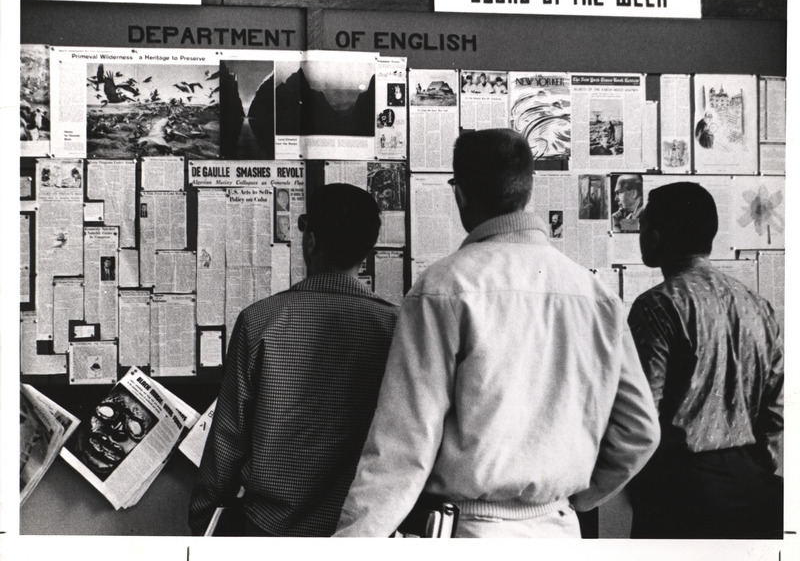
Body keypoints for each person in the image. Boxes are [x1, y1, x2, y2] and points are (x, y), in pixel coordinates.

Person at [335, 128, 659, 538]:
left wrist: (350, 545)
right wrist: (573, 498)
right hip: (560, 531)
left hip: (472, 529)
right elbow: (640, 430)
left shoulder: (443, 287)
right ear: (527, 189)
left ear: (461, 194)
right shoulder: (597, 295)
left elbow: (403, 446)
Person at [189, 184, 399, 536]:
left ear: (311, 241)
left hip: (269, 531)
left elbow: (227, 438)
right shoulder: (396, 328)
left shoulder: (259, 321)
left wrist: (203, 518)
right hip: (359, 532)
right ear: (367, 251)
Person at [627, 182, 784, 539]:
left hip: (679, 488)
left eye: (644, 225)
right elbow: (777, 406)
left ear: (657, 235)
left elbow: (641, 412)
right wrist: (760, 467)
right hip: (752, 483)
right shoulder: (756, 305)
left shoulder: (659, 305)